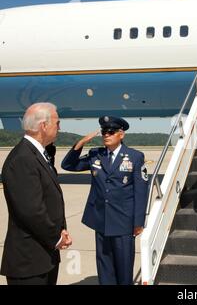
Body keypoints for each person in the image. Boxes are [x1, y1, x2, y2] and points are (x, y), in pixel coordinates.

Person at [61, 116, 149, 285]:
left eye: (111, 132)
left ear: (121, 134)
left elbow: (140, 191)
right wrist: (81, 143)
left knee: (124, 269)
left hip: (123, 222)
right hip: (101, 220)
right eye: (103, 132)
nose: (106, 135)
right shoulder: (96, 154)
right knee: (104, 267)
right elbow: (68, 165)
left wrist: (138, 222)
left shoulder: (135, 156)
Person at [1, 102, 71, 285]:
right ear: (43, 126)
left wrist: (61, 230)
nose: (59, 127)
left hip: (43, 256)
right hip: (29, 262)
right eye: (57, 123)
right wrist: (56, 237)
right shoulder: (23, 158)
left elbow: (48, 199)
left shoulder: (37, 154)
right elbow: (31, 211)